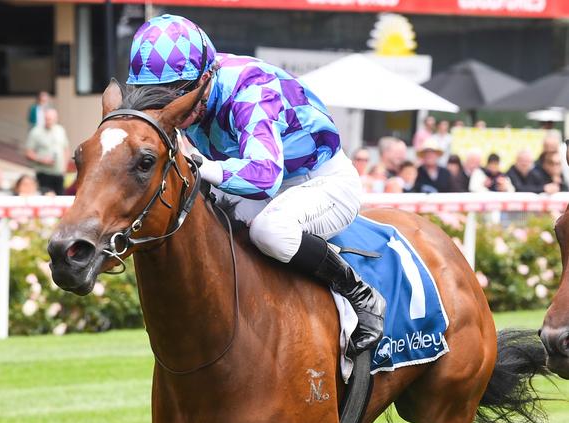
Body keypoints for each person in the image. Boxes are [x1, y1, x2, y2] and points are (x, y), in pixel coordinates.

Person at [126, 14, 385, 353]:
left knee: (270, 231)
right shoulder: (190, 93)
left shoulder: (251, 90)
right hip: (257, 180)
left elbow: (264, 176)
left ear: (205, 78)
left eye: (174, 95)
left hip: (322, 182)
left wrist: (201, 167)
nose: (166, 107)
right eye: (153, 97)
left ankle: (360, 294)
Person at [25, 108, 70, 195]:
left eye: (51, 119)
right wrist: (42, 160)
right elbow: (28, 153)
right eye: (47, 118)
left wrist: (64, 167)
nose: (48, 121)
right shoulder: (36, 132)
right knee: (45, 200)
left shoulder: (60, 130)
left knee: (60, 199)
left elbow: (66, 150)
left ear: (56, 119)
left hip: (59, 174)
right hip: (43, 174)